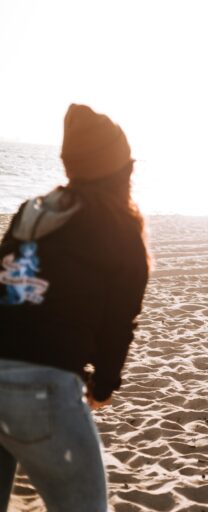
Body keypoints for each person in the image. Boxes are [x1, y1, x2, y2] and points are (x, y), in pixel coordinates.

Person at [0, 104, 149, 511]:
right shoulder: (119, 227)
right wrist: (103, 384)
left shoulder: (32, 214)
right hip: (43, 390)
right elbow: (120, 321)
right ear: (118, 170)